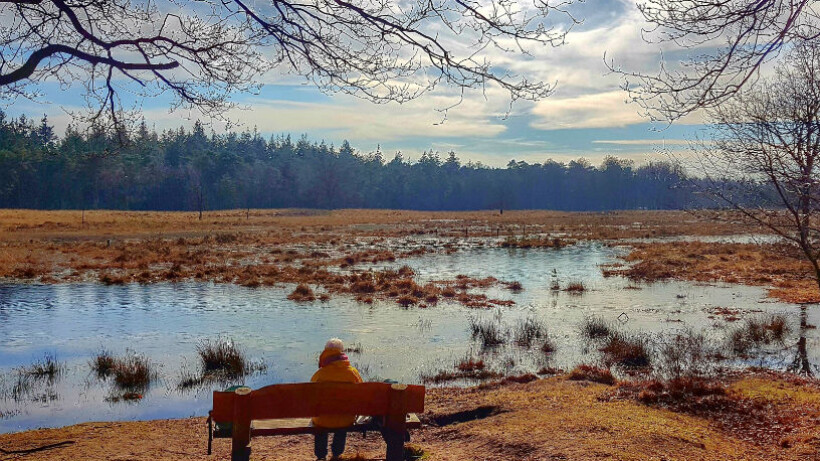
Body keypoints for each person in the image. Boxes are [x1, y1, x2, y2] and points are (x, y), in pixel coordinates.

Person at [311, 338, 363, 461]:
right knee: (342, 418)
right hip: (345, 418)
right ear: (342, 353)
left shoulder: (320, 374)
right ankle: (336, 453)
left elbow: (310, 395)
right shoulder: (352, 373)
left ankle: (320, 456)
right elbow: (362, 393)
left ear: (325, 354)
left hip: (322, 418)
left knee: (321, 420)